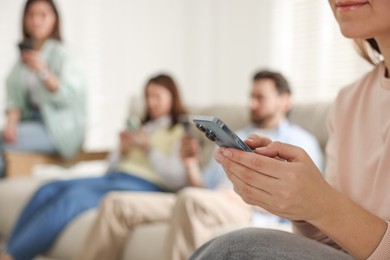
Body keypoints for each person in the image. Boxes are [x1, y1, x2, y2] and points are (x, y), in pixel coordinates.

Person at [190, 1, 390, 260]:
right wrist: (301, 205)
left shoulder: (304, 133)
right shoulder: (347, 102)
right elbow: (331, 245)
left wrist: (323, 204)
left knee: (235, 249)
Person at [77, 70, 323, 260]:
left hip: (244, 204)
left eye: (260, 98)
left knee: (190, 200)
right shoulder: (237, 134)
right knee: (115, 204)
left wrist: (247, 195)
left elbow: (305, 199)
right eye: (251, 97)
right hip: (208, 198)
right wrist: (190, 163)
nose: (252, 104)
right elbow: (202, 185)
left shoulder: (300, 142)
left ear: (285, 101)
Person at [0, 73, 190, 260]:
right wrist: (121, 150)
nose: (151, 102)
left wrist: (148, 148)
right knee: (48, 188)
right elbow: (110, 168)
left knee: (71, 199)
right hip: (115, 177)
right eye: (148, 96)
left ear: (172, 97)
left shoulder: (180, 131)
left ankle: (12, 256)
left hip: (146, 185)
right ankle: (10, 250)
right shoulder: (143, 126)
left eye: (157, 96)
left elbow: (176, 179)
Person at [0, 0, 87, 178]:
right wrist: (11, 123)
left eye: (43, 15)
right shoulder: (22, 60)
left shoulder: (65, 54)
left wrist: (44, 72)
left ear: (55, 19)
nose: (36, 20)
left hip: (57, 128)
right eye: (31, 15)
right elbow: (14, 98)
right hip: (30, 123)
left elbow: (70, 97)